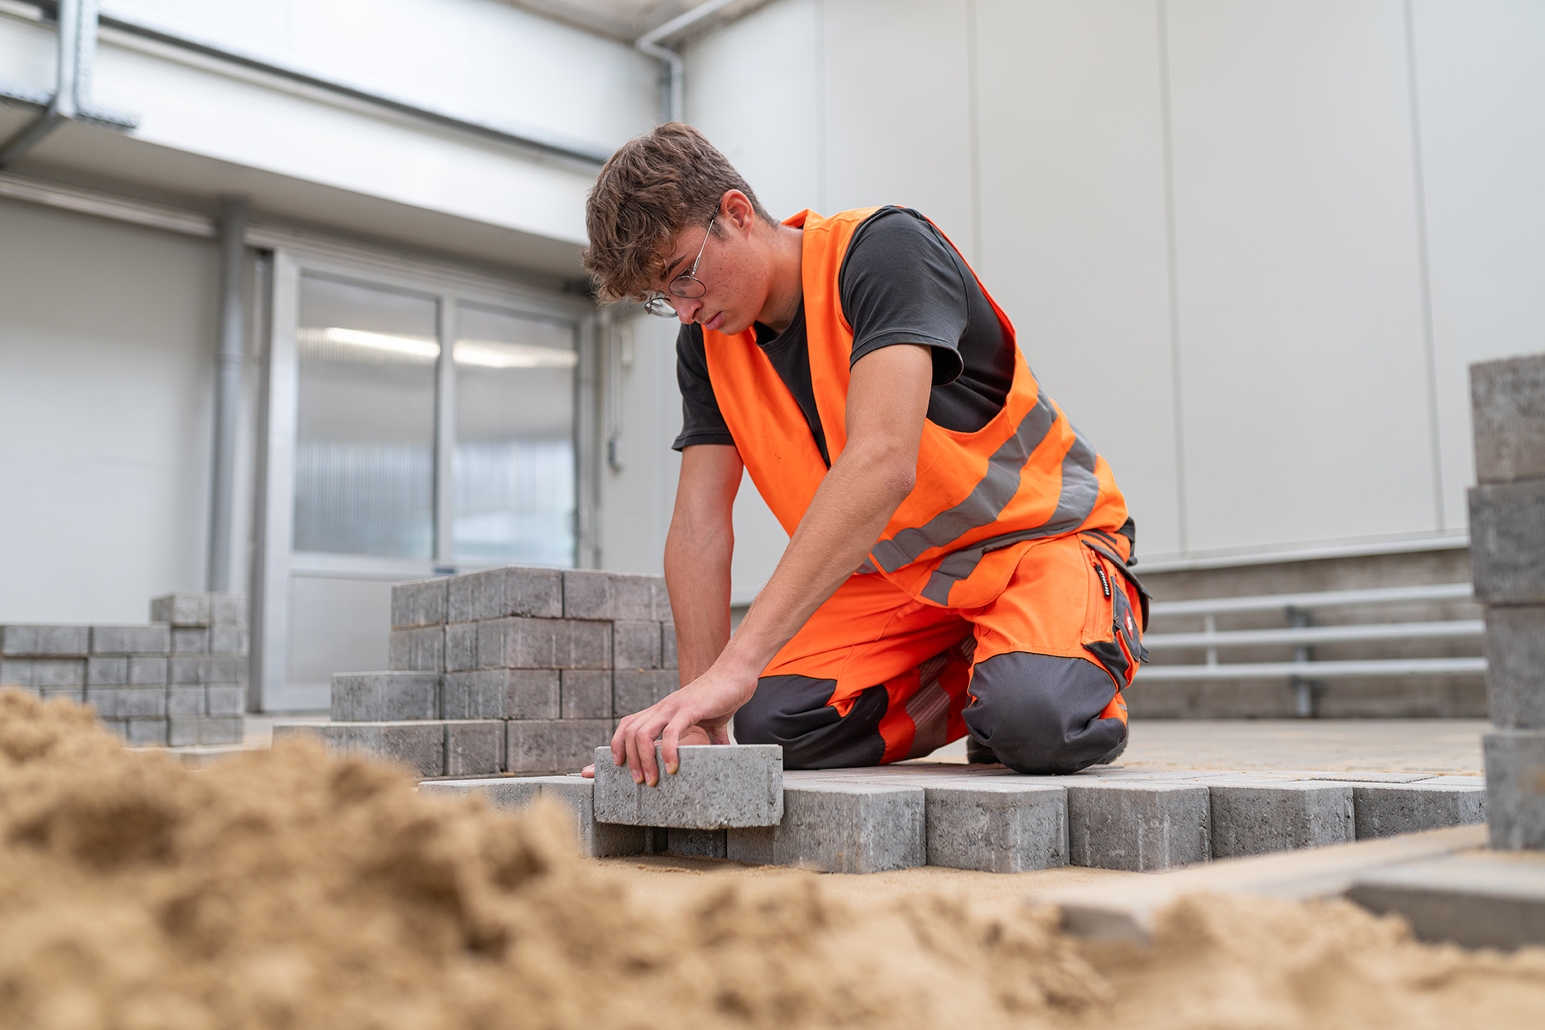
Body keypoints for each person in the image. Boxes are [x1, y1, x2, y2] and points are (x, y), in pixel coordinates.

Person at [582, 123, 1147, 788]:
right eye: (662, 298)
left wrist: (736, 666)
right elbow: (699, 527)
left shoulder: (884, 252)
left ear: (735, 213)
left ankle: (1037, 678)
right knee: (778, 723)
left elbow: (881, 460)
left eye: (684, 277)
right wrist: (702, 712)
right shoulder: (707, 346)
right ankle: (995, 670)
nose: (683, 310)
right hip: (904, 591)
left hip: (1037, 545)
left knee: (1038, 722)